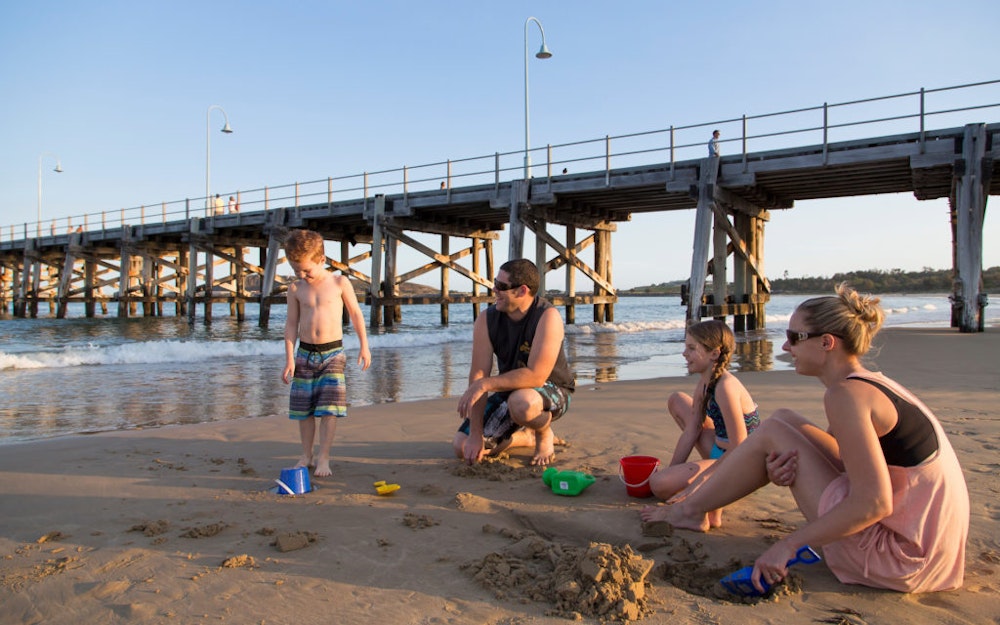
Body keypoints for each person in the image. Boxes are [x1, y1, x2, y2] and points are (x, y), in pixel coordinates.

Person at [656, 284, 969, 593]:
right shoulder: (867, 385)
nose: (785, 347)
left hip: (902, 560)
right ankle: (698, 505)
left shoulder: (846, 395)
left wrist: (789, 545)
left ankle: (689, 510)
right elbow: (846, 462)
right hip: (930, 551)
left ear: (827, 343)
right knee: (783, 420)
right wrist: (779, 468)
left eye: (794, 337)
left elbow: (874, 502)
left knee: (776, 431)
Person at [454, 259, 574, 466]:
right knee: (463, 447)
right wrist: (475, 434)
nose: (494, 290)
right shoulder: (486, 319)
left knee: (522, 403)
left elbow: (536, 376)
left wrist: (484, 385)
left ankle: (543, 431)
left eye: (501, 286)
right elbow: (478, 375)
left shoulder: (547, 316)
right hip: (509, 390)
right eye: (494, 283)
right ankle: (525, 438)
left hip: (552, 390)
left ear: (522, 291)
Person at [643, 320, 759, 527]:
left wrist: (701, 480)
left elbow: (740, 446)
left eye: (691, 348)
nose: (684, 353)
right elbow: (692, 430)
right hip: (719, 450)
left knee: (658, 483)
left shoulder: (726, 387)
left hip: (741, 463)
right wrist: (674, 471)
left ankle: (706, 508)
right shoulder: (705, 382)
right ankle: (709, 490)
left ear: (714, 353)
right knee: (678, 400)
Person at [282, 229, 372, 477]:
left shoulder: (339, 283)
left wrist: (364, 345)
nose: (301, 275)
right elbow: (291, 325)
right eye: (296, 269)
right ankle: (306, 454)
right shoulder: (295, 288)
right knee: (304, 409)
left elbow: (355, 314)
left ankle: (324, 458)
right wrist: (289, 358)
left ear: (321, 260)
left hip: (333, 353)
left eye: (306, 270)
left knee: (329, 409)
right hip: (304, 354)